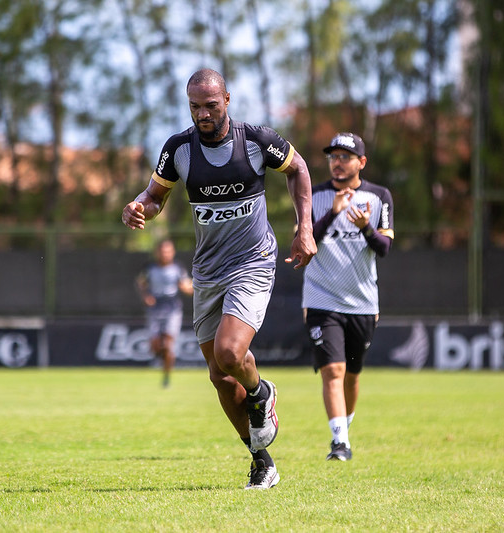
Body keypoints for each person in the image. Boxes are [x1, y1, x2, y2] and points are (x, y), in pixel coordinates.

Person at [122, 68, 317, 489]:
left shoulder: (258, 140)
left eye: (211, 104)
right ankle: (261, 461)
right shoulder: (178, 149)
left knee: (230, 353)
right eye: (195, 106)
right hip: (207, 271)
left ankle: (262, 392)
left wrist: (305, 228)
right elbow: (155, 197)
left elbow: (298, 169)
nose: (203, 113)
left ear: (227, 99)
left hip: (252, 262)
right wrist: (138, 206)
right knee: (220, 375)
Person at [301, 132, 394, 461]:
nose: (337, 163)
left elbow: (384, 248)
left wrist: (366, 227)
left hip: (363, 302)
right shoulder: (314, 194)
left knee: (352, 376)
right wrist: (333, 213)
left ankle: (344, 426)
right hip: (322, 298)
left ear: (361, 163)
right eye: (333, 157)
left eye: (345, 157)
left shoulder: (379, 196)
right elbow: (305, 243)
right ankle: (340, 442)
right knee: (333, 371)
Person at [136, 238, 193, 388]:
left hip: (172, 309)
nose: (165, 254)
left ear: (172, 252)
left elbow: (186, 285)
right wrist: (145, 296)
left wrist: (192, 288)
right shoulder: (149, 268)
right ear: (157, 252)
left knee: (168, 344)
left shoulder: (178, 268)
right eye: (162, 251)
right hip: (154, 309)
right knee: (155, 347)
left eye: (168, 251)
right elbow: (141, 284)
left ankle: (166, 376)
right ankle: (160, 355)